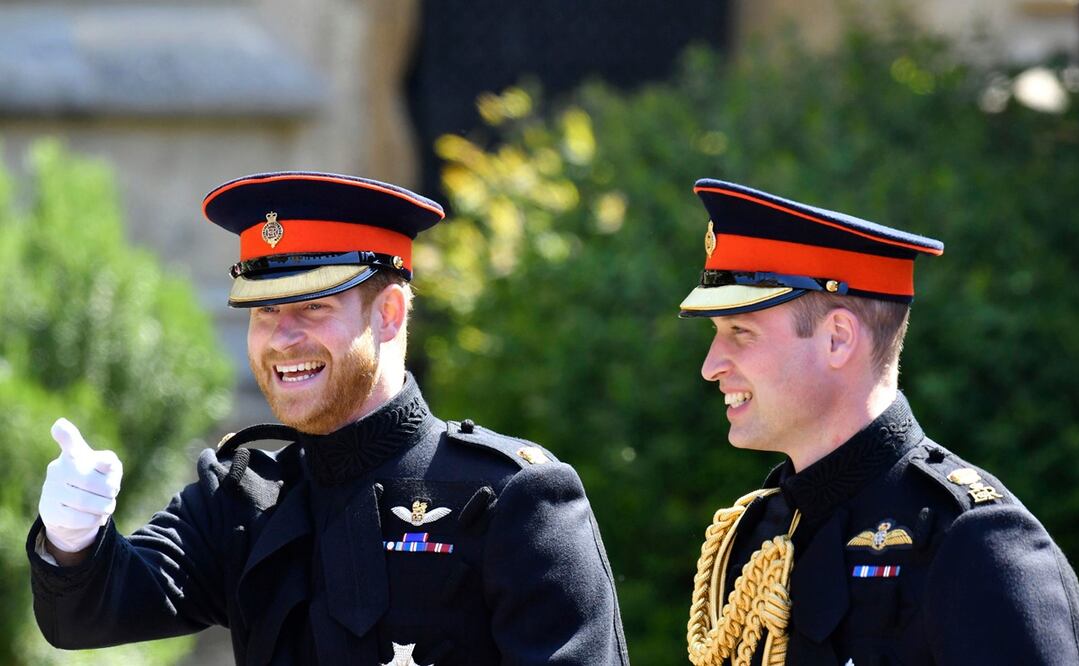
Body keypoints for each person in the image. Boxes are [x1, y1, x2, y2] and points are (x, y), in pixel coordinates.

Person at [27, 171, 629, 665]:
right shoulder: (244, 503)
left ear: (389, 314)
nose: (281, 339)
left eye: (312, 307)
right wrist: (74, 538)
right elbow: (88, 613)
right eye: (263, 312)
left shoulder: (510, 499)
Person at [679, 179, 1079, 665]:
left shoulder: (973, 540)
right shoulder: (757, 534)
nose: (711, 364)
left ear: (838, 338)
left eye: (740, 332)